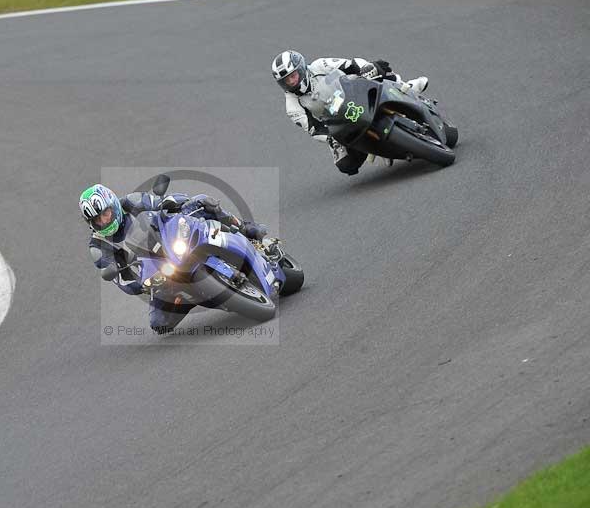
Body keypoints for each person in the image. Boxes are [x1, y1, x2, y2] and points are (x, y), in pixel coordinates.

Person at [80, 184, 267, 334]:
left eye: (106, 214)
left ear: (113, 206)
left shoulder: (132, 202)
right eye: (98, 219)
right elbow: (120, 278)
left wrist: (178, 203)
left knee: (204, 201)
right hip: (158, 272)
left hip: (174, 240)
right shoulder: (98, 246)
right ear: (91, 223)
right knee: (159, 324)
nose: (104, 221)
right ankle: (197, 294)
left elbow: (162, 202)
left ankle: (246, 229)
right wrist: (142, 285)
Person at [271, 50, 430, 175]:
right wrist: (330, 137)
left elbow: (350, 64)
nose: (291, 82)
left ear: (300, 68)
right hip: (337, 123)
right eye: (286, 80)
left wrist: (367, 68)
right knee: (347, 164)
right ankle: (379, 148)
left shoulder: (320, 65)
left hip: (353, 94)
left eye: (293, 76)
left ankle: (407, 87)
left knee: (379, 70)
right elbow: (313, 128)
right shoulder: (292, 106)